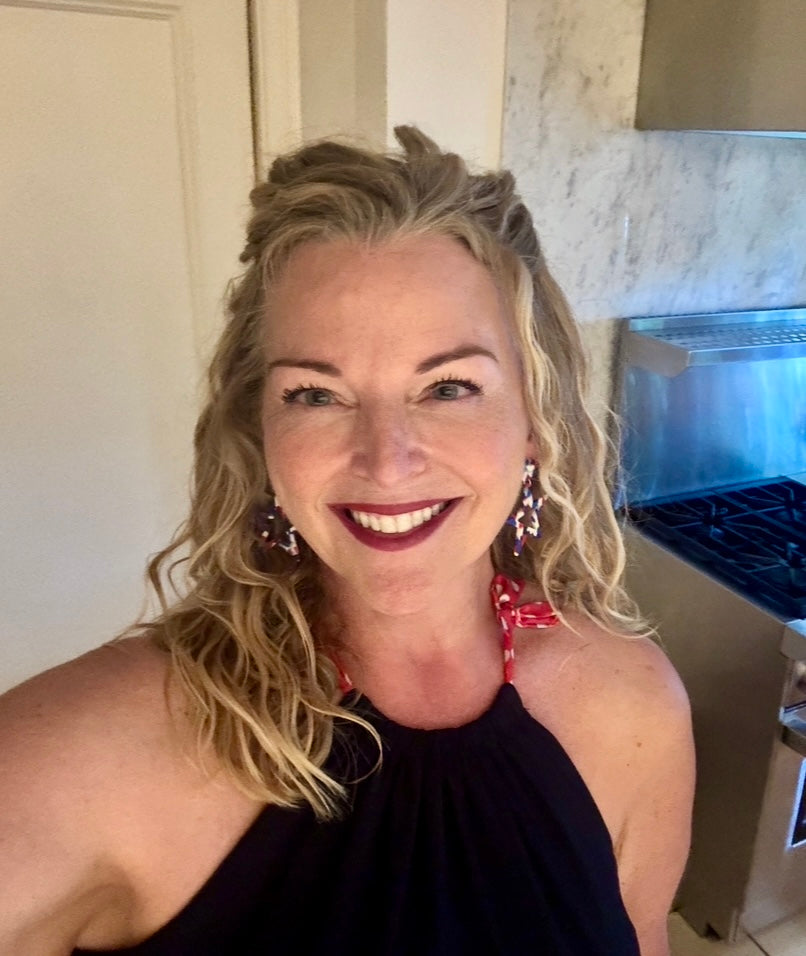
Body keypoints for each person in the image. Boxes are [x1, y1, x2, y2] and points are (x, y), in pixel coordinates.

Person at [0, 127, 694, 955]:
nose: (386, 460)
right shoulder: (90, 758)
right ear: (260, 428)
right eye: (316, 395)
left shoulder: (632, 706)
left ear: (534, 422)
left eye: (448, 387)